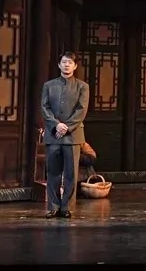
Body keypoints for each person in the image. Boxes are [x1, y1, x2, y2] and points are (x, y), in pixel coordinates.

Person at [41, 51, 90, 219]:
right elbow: (45, 108)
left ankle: (67, 207)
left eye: (70, 62)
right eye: (64, 62)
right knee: (53, 172)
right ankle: (53, 206)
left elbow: (81, 110)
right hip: (53, 134)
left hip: (73, 135)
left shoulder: (82, 86)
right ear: (59, 65)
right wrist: (56, 125)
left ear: (75, 66)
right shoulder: (49, 85)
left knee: (71, 173)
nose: (67, 65)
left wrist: (66, 127)